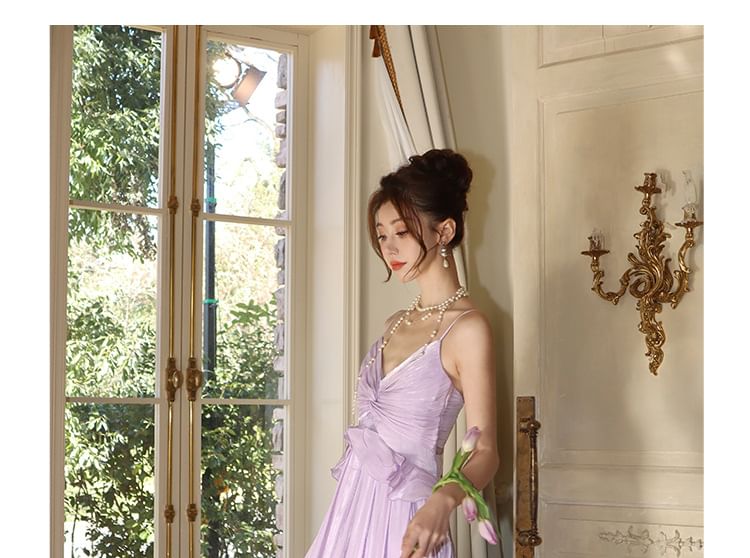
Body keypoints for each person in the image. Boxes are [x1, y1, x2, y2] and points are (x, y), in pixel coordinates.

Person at [304, 149, 499, 558]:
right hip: (348, 516)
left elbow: (485, 452)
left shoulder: (468, 329)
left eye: (402, 232)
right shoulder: (393, 323)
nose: (389, 247)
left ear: (444, 231)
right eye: (382, 235)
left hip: (409, 518)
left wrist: (443, 500)